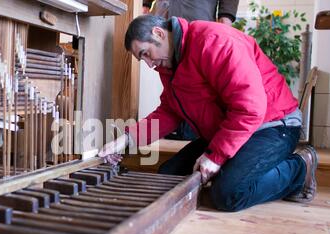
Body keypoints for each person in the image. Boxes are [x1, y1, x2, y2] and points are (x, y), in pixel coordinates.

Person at [98, 15, 318, 212]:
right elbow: (169, 112)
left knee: (228, 194)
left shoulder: (215, 41)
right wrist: (126, 140)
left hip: (272, 125)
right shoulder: (170, 66)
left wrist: (216, 156)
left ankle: (300, 169)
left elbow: (250, 108)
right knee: (168, 177)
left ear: (159, 33)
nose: (148, 64)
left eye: (145, 54)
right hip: (229, 129)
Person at [151, 0, 240, 141]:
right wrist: (145, 5)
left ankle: (196, 133)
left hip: (198, 15)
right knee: (172, 83)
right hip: (165, 17)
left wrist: (226, 18)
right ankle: (179, 128)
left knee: (200, 83)